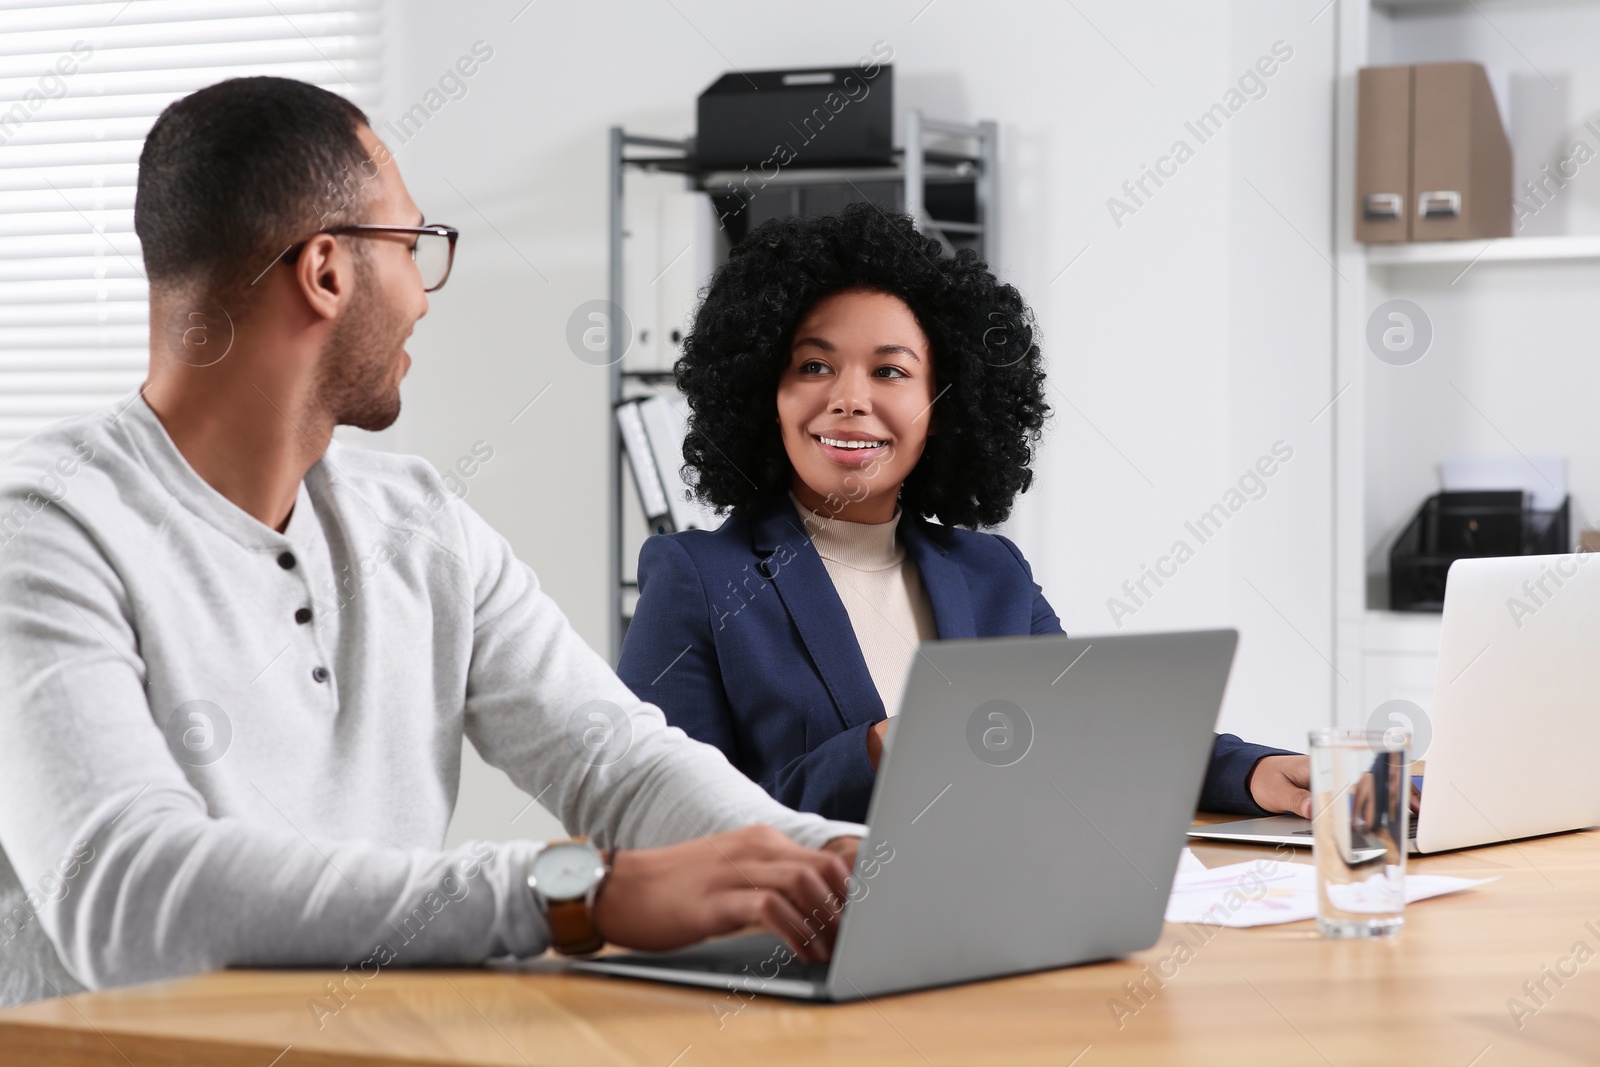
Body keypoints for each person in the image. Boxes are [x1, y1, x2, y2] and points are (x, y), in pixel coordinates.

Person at [0, 78, 863, 1009]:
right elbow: (122, 893)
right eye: (413, 245)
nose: (422, 292)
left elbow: (617, 762)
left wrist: (821, 862)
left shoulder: (418, 523)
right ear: (326, 271)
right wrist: (574, 892)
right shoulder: (46, 531)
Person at [617, 205, 1312, 824]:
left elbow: (1086, 732)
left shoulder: (991, 575)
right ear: (767, 392)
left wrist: (1251, 772)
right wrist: (879, 751)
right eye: (814, 366)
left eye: (890, 372)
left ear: (941, 411)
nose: (850, 399)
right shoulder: (699, 578)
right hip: (805, 944)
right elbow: (666, 816)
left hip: (993, 922)